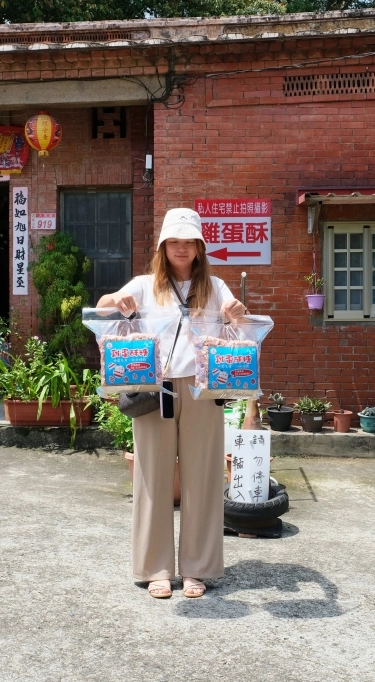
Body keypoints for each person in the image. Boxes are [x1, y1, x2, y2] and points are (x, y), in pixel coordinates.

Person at [97, 208, 247, 599]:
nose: (181, 248)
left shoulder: (216, 288)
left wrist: (238, 315)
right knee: (152, 477)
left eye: (188, 242)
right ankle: (155, 568)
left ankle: (198, 568)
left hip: (202, 389)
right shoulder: (146, 285)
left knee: (203, 477)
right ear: (163, 248)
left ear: (199, 248)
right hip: (154, 388)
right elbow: (101, 309)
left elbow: (243, 330)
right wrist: (116, 299)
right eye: (174, 242)